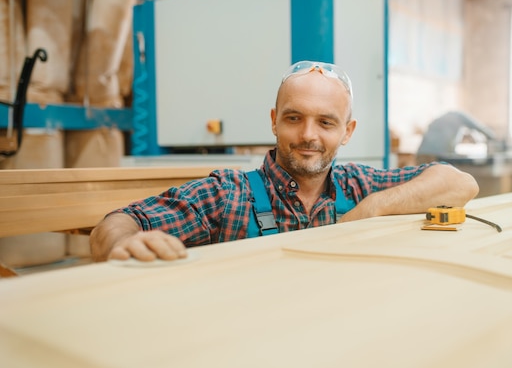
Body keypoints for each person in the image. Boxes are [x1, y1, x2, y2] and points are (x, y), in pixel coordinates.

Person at [90, 61, 479, 262]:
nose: (308, 135)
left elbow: (459, 183)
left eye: (326, 122)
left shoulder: (360, 186)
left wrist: (374, 207)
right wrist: (125, 244)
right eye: (294, 118)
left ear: (347, 132)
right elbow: (117, 223)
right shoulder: (227, 195)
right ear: (275, 121)